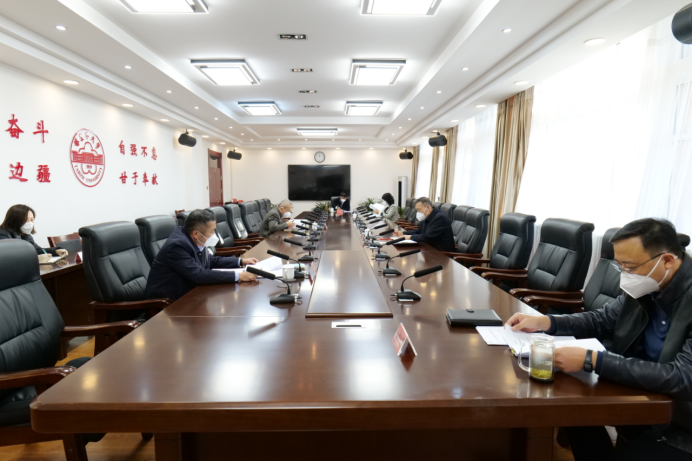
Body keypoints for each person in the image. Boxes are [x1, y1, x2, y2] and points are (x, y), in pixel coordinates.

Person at [507, 218, 692, 461]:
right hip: (644, 395)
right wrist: (548, 322)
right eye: (619, 266)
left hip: (682, 426)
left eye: (629, 266)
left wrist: (592, 360)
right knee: (570, 410)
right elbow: (602, 319)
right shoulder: (649, 283)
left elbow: (683, 376)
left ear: (666, 260)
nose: (624, 275)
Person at [145, 209, 259, 301]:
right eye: (212, 231)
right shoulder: (177, 246)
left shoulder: (193, 239)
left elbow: (210, 260)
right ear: (196, 233)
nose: (214, 234)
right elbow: (199, 275)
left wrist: (240, 261)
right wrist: (238, 276)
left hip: (189, 293)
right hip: (168, 304)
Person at [0, 204, 67, 257]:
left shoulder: (24, 234)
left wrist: (55, 251)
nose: (30, 223)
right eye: (26, 220)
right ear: (15, 220)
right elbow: (10, 258)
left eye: (32, 220)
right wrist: (36, 259)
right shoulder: (3, 234)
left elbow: (37, 250)